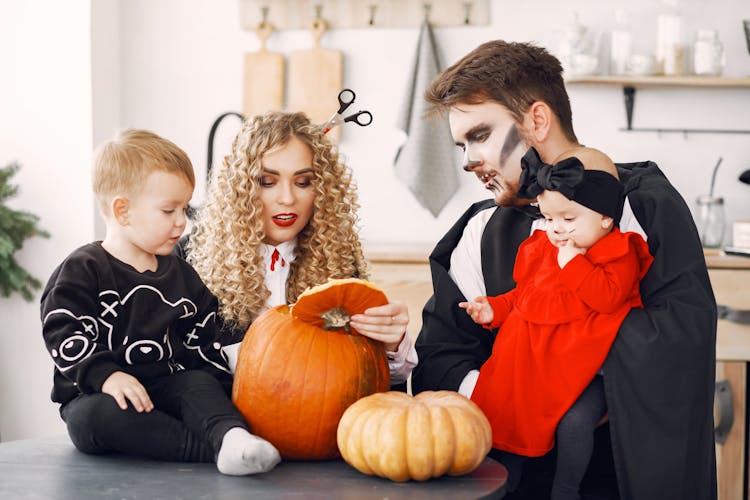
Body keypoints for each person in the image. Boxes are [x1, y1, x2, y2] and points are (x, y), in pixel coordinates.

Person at [411, 40, 717, 500]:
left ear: (536, 120)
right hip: (505, 478)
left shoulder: (642, 208)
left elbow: (681, 340)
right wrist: (510, 397)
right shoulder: (480, 230)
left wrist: (563, 378)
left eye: (479, 136)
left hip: (614, 477)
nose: (467, 161)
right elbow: (440, 356)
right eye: (461, 144)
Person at [40, 129, 281, 476]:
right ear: (122, 211)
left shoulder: (181, 274)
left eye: (184, 208)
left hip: (166, 389)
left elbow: (206, 335)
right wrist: (106, 376)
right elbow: (64, 331)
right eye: (169, 210)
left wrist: (243, 367)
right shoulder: (84, 269)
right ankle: (209, 450)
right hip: (98, 394)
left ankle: (232, 438)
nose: (182, 221)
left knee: (198, 385)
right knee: (95, 418)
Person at [460, 147, 653, 500]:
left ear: (606, 219)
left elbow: (607, 298)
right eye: (549, 219)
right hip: (534, 364)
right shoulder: (545, 249)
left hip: (583, 370)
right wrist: (494, 310)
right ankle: (507, 476)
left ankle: (566, 488)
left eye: (568, 220)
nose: (557, 230)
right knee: (506, 406)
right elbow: (525, 296)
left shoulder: (618, 253)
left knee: (574, 424)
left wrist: (574, 263)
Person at [180, 111, 416, 382]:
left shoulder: (339, 261)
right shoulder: (190, 260)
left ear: (324, 190)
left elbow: (374, 382)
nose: (288, 198)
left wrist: (392, 344)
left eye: (304, 182)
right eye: (267, 182)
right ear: (239, 189)